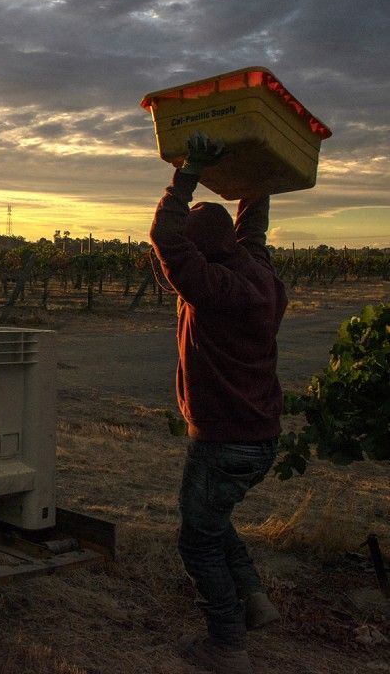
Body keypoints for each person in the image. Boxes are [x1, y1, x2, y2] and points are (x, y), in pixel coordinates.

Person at [149, 133, 285, 674]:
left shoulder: (211, 287)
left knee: (196, 541)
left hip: (223, 440)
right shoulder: (257, 272)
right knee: (213, 519)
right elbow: (254, 225)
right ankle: (254, 598)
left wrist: (189, 172)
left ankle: (227, 646)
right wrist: (258, 178)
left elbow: (164, 236)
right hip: (259, 437)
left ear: (198, 250)